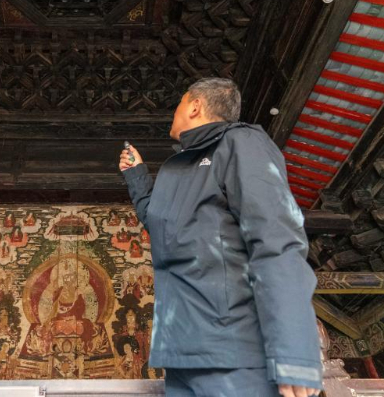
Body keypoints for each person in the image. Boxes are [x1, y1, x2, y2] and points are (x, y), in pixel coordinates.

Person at [119, 78, 321, 397]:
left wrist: (293, 352)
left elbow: (276, 238)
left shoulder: (240, 143)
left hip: (235, 351)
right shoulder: (183, 167)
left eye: (179, 103)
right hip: (184, 354)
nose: (174, 112)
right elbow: (163, 227)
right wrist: (136, 176)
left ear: (195, 106)